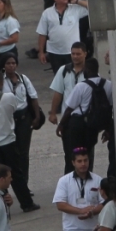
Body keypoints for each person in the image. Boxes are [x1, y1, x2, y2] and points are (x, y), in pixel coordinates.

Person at [0, 55, 42, 203]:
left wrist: (36, 117)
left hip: (23, 121)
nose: (11, 66)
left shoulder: (24, 79)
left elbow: (33, 97)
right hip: (8, 123)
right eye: (8, 63)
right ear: (3, 66)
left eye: (14, 63)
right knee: (11, 162)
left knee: (23, 154)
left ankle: (23, 187)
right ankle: (5, 194)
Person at [58, 57, 112, 172]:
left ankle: (73, 177)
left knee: (73, 154)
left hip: (78, 124)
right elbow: (110, 108)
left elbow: (69, 109)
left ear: (87, 69)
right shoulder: (108, 85)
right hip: (94, 126)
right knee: (87, 153)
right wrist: (107, 129)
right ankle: (87, 175)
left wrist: (61, 125)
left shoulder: (81, 86)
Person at [49, 42, 87, 172]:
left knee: (86, 154)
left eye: (78, 54)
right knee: (70, 154)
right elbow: (58, 93)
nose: (75, 57)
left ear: (85, 54)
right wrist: (53, 113)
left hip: (85, 121)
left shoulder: (90, 72)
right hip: (68, 121)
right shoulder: (64, 71)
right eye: (73, 54)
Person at [36, 0, 81, 71]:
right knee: (59, 77)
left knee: (74, 75)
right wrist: (41, 52)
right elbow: (42, 33)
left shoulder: (75, 9)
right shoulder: (47, 13)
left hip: (72, 52)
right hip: (54, 52)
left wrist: (77, 1)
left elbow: (92, 6)